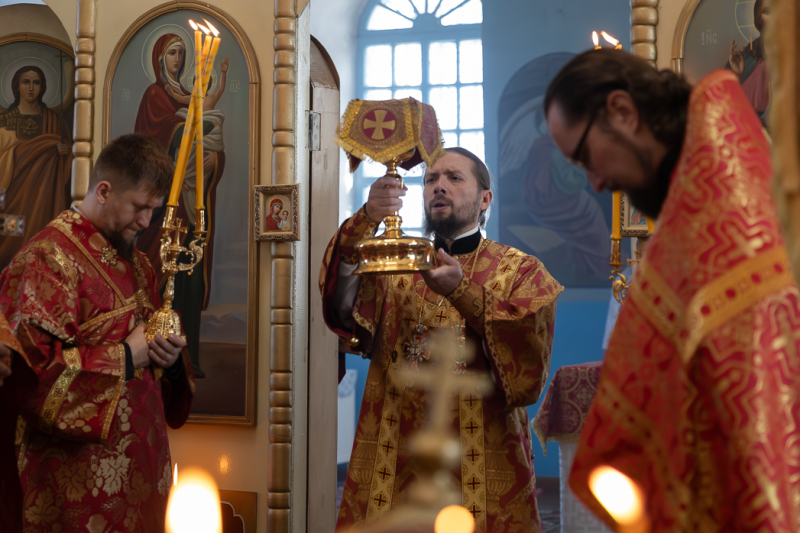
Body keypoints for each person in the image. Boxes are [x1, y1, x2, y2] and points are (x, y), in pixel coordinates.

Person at [545, 49, 800, 532]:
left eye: (586, 156)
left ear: (622, 110)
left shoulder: (722, 198)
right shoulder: (711, 171)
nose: (595, 183)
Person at [320, 147, 564, 532]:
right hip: (397, 452)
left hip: (483, 453)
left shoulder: (520, 269)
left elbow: (528, 354)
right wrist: (367, 219)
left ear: (485, 199)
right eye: (431, 179)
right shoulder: (397, 264)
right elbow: (339, 301)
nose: (439, 186)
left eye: (454, 177)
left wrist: (462, 291)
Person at [0, 133, 195, 532]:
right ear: (103, 191)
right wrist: (125, 356)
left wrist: (169, 361)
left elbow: (151, 372)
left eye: (153, 211)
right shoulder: (44, 259)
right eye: (140, 208)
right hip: (74, 488)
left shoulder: (141, 266)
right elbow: (28, 378)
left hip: (144, 477)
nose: (146, 222)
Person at [134, 33, 229, 379]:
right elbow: (151, 139)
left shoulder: (192, 96)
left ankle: (190, 356)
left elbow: (209, 145)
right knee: (160, 278)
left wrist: (212, 160)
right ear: (160, 58)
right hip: (164, 209)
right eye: (172, 53)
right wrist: (185, 131)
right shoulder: (154, 95)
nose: (177, 59)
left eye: (182, 54)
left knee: (192, 282)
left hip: (191, 205)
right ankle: (155, 354)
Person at [0, 65, 72, 269]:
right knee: (11, 239)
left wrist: (64, 153)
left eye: (36, 83)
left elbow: (66, 172)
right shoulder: (4, 122)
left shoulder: (54, 121)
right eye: (26, 82)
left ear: (43, 87)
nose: (31, 88)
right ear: (17, 87)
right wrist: (21, 152)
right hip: (12, 200)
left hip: (44, 199)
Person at [728, 0, 770, 119]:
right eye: (767, 11)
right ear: (759, 18)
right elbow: (726, 106)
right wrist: (737, 76)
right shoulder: (744, 59)